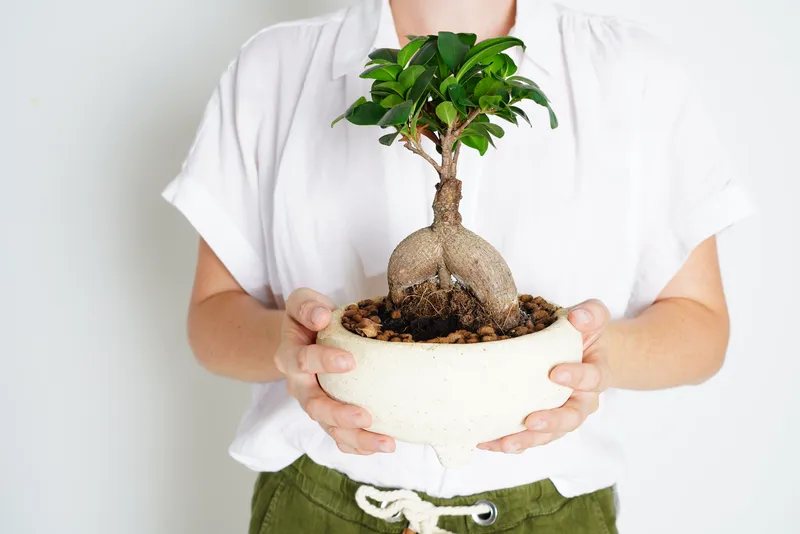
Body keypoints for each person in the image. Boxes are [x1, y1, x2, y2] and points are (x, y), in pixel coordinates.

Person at [162, 0, 752, 532]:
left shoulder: (633, 70)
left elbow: (702, 329)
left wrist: (593, 358)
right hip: (316, 505)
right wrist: (289, 348)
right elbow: (211, 321)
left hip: (554, 512)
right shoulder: (276, 65)